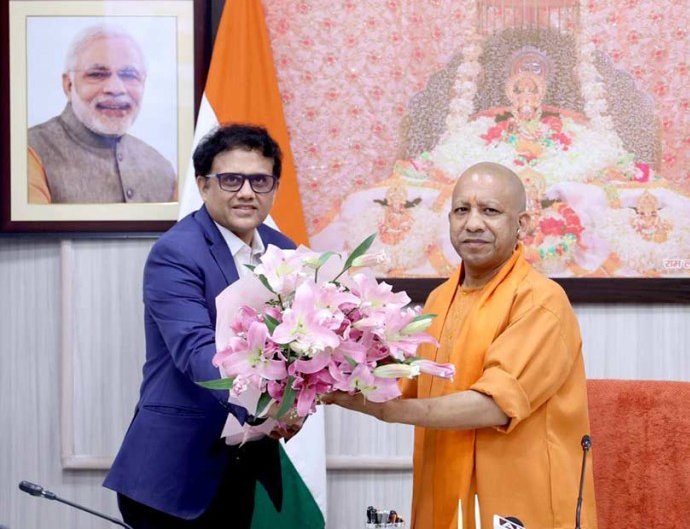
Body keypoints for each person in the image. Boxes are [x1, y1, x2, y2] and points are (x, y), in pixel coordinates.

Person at [325, 162, 598, 529]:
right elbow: (403, 382)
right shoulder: (439, 299)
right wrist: (322, 364)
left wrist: (388, 412)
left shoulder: (540, 300)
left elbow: (494, 405)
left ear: (522, 224)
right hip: (443, 489)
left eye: (490, 210)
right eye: (461, 210)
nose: (473, 223)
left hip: (518, 501)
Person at [104, 124, 298, 527]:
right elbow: (198, 354)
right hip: (173, 470)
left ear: (275, 188)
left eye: (260, 181)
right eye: (231, 180)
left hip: (241, 459)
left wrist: (294, 407)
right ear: (203, 185)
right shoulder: (176, 252)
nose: (246, 192)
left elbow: (297, 345)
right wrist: (268, 407)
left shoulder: (285, 250)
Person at [28, 24, 176, 203]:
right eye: (97, 74)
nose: (115, 88)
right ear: (68, 85)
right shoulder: (28, 152)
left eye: (129, 75)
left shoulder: (162, 170)